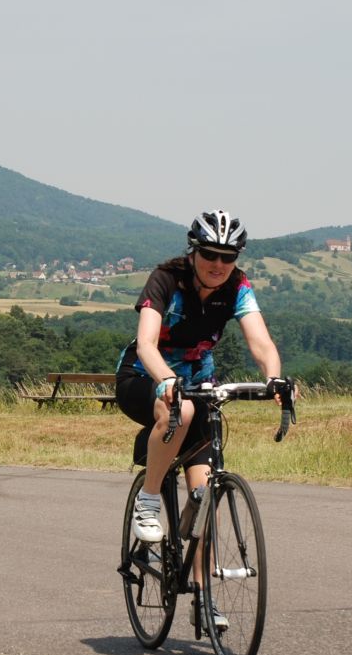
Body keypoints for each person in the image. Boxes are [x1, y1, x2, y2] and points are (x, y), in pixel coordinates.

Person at [116, 210, 284, 626]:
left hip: (199, 382)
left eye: (228, 256)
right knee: (181, 409)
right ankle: (149, 499)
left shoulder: (237, 287)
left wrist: (275, 378)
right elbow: (147, 343)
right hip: (143, 376)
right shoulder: (165, 280)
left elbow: (260, 340)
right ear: (193, 252)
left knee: (204, 493)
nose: (218, 264)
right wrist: (167, 379)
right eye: (209, 253)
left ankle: (204, 600)